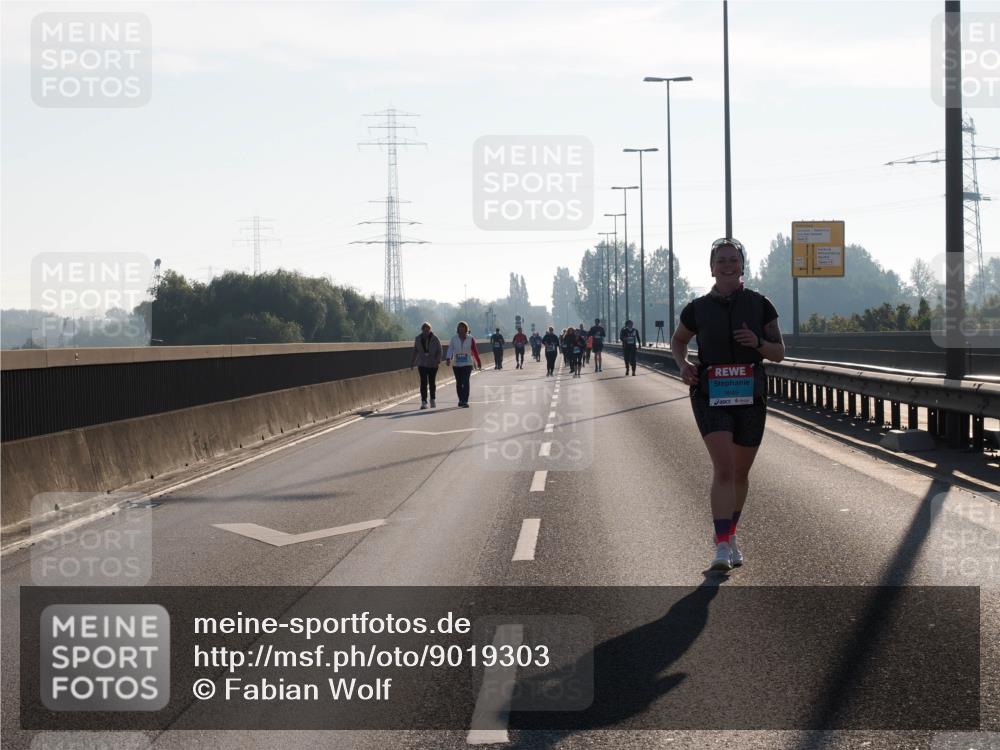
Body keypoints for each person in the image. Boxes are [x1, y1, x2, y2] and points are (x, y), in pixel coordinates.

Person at [671, 238, 784, 572]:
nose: (727, 265)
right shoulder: (697, 308)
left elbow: (779, 352)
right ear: (711, 267)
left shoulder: (761, 304)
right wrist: (683, 365)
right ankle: (721, 545)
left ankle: (731, 536)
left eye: (733, 259)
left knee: (740, 472)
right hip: (710, 395)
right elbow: (678, 341)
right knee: (723, 468)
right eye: (721, 260)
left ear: (742, 265)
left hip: (750, 396)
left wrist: (758, 342)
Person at [446, 321, 483, 407]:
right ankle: (461, 399)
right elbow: (450, 349)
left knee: (466, 381)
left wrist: (478, 361)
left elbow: (474, 350)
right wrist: (448, 358)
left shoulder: (470, 338)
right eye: (460, 327)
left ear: (466, 329)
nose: (461, 329)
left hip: (467, 364)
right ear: (458, 329)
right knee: (459, 382)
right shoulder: (454, 339)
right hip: (456, 364)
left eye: (463, 327)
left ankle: (465, 400)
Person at [410, 322, 442, 409]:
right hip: (422, 363)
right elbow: (415, 351)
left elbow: (439, 350)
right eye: (424, 330)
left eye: (427, 330)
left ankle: (432, 399)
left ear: (430, 330)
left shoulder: (435, 339)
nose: (426, 332)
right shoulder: (418, 339)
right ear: (422, 330)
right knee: (423, 382)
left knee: (432, 382)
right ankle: (424, 401)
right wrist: (412, 362)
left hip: (433, 364)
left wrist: (438, 360)